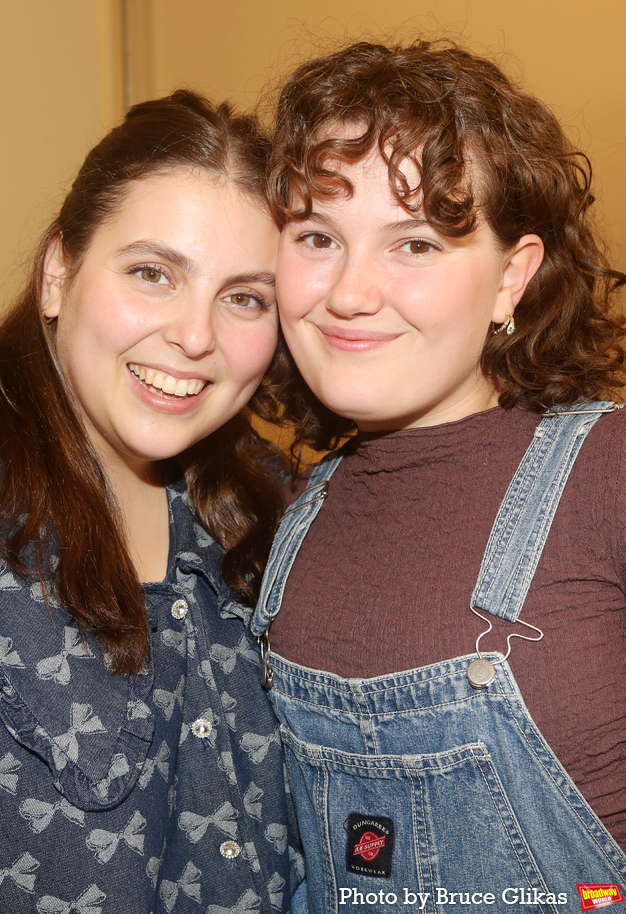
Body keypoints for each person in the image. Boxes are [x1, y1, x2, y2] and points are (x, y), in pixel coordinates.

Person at [251, 40, 626, 912]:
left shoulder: (608, 474)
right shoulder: (287, 515)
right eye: (317, 236)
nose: (349, 293)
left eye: (414, 244)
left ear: (512, 278)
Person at [0, 90, 303, 913]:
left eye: (245, 297)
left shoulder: (275, 502)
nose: (195, 337)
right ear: (59, 270)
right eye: (152, 273)